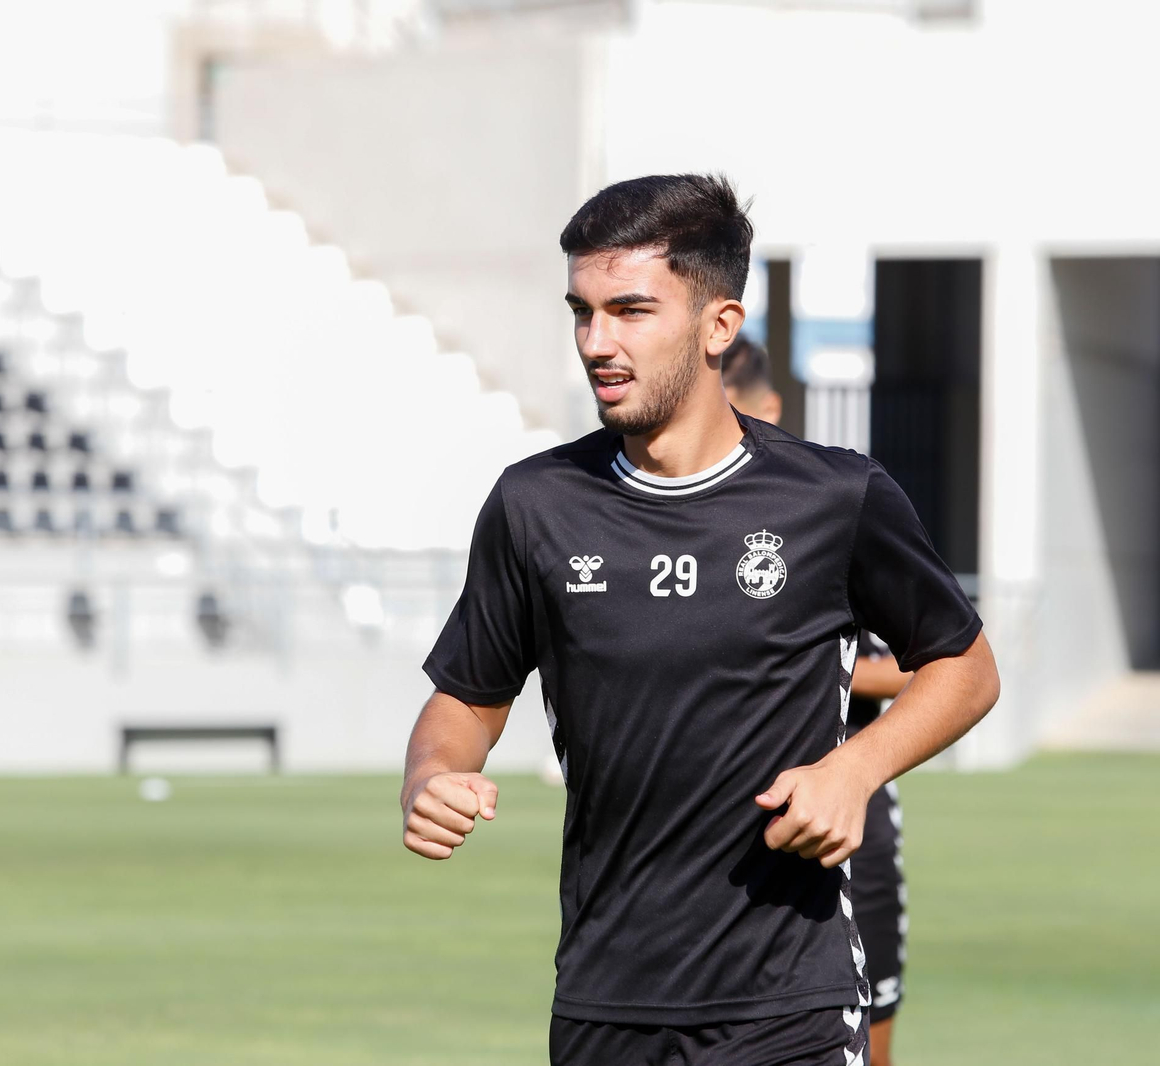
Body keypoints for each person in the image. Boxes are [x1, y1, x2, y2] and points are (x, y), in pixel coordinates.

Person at [401, 173, 1000, 1066]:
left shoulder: (835, 497)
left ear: (720, 325)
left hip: (789, 1007)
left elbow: (968, 668)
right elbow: (466, 700)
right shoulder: (535, 505)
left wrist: (855, 769)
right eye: (582, 312)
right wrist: (430, 775)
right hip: (603, 1005)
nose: (597, 342)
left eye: (631, 311)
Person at [722, 335, 916, 1066]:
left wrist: (817, 665)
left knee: (871, 1039)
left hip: (847, 824)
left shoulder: (830, 508)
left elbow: (940, 665)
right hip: (718, 848)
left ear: (770, 407)